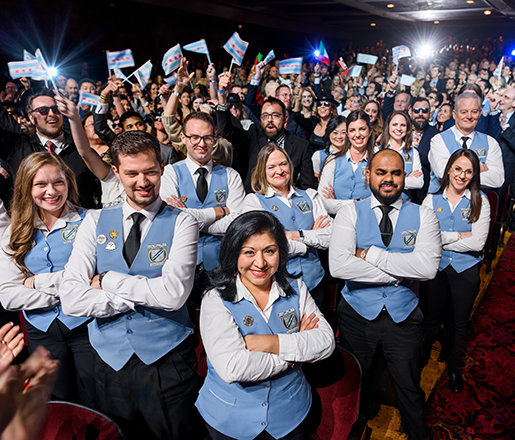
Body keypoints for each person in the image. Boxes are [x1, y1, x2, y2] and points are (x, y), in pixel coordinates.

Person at [59, 131, 203, 439]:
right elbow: (71, 299)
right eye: (132, 173)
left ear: (162, 168)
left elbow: (174, 295)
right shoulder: (94, 221)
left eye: (150, 171)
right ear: (116, 172)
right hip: (108, 363)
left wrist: (107, 280)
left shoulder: (183, 222)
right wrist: (141, 294)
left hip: (167, 363)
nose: (142, 181)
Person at [329, 149, 441, 440]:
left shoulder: (425, 215)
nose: (388, 179)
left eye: (395, 173)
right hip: (357, 315)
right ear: (368, 175)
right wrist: (402, 272)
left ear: (404, 176)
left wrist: (369, 255)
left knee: (409, 386)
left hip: (404, 316)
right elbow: (339, 267)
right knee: (356, 384)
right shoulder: (349, 213)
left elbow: (427, 269)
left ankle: (418, 433)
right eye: (381, 172)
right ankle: (358, 425)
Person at [196, 210, 335, 440]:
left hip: (291, 414)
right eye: (249, 252)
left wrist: (270, 343)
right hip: (229, 419)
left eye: (269, 251)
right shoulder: (214, 299)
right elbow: (233, 367)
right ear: (233, 254)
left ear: (281, 252)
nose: (260, 263)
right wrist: (296, 353)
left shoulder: (297, 288)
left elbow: (325, 343)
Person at [0, 152, 96, 407]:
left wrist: (35, 282)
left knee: (95, 401)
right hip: (41, 334)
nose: (51, 191)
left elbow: (95, 283)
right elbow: (8, 297)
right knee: (57, 406)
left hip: (88, 329)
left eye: (58, 182)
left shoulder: (90, 220)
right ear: (27, 188)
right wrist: (73, 288)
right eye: (40, 184)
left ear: (68, 183)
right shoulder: (14, 231)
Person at [422, 150, 490, 393]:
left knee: (459, 323)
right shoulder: (430, 200)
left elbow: (477, 243)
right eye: (458, 169)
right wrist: (460, 235)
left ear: (474, 175)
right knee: (430, 319)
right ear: (449, 169)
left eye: (469, 171)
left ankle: (454, 368)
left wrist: (441, 238)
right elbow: (425, 238)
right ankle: (420, 361)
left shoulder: (480, 200)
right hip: (435, 268)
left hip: (466, 270)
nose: (462, 175)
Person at [160, 111, 245, 300]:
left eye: (207, 137)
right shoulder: (170, 173)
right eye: (195, 137)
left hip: (223, 263)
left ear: (215, 139)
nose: (201, 143)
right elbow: (171, 220)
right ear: (183, 138)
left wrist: (190, 218)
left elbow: (236, 223)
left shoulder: (231, 175)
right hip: (182, 263)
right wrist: (219, 211)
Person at [244, 144, 332, 309]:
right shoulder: (254, 202)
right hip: (277, 286)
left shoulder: (310, 195)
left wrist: (296, 235)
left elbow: (331, 237)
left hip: (316, 284)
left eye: (283, 164)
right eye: (271, 167)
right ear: (262, 171)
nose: (279, 171)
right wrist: (308, 243)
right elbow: (263, 248)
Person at [0, 88, 100, 208]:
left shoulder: (81, 150)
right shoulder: (16, 147)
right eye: (43, 111)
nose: (51, 114)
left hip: (81, 217)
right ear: (31, 117)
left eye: (56, 109)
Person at [217, 74, 316, 192]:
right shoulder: (253, 135)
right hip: (254, 199)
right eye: (265, 116)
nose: (269, 120)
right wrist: (222, 97)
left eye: (275, 115)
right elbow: (226, 131)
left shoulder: (301, 147)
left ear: (285, 118)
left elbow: (308, 188)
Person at [428, 91, 504, 193]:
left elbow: (498, 179)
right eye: (464, 112)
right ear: (454, 114)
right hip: (441, 200)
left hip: (476, 201)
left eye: (474, 112)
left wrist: (456, 170)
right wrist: (479, 167)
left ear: (480, 114)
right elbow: (443, 173)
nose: (469, 116)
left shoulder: (490, 142)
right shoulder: (438, 140)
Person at [318, 110, 375, 214]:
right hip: (337, 221)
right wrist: (356, 202)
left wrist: (336, 203)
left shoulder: (377, 161)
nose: (357, 134)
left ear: (370, 131)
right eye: (352, 130)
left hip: (368, 219)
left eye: (362, 129)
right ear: (347, 134)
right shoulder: (332, 160)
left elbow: (379, 202)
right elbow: (322, 202)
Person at [379, 111, 424, 199]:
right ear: (388, 126)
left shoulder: (413, 152)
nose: (399, 128)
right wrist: (405, 179)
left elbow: (419, 182)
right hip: (382, 202)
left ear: (407, 128)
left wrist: (388, 181)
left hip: (405, 203)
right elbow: (375, 181)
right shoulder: (377, 150)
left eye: (403, 125)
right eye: (395, 124)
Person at [409, 97, 440, 204]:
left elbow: (435, 162)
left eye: (425, 111)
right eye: (417, 111)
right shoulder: (401, 130)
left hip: (423, 190)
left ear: (430, 114)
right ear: (411, 112)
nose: (420, 114)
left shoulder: (436, 135)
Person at [312, 115, 346, 180]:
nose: (339, 136)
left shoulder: (353, 155)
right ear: (328, 133)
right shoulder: (319, 156)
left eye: (343, 133)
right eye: (335, 133)